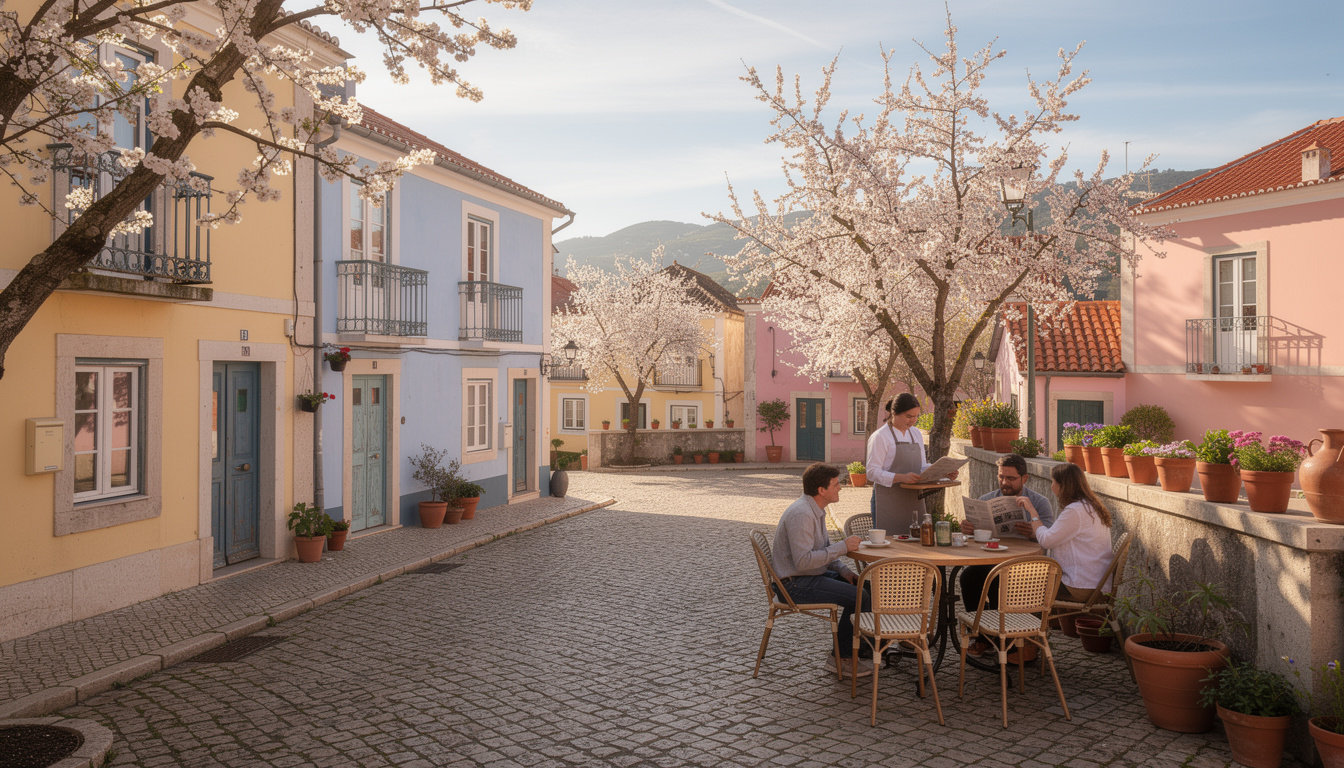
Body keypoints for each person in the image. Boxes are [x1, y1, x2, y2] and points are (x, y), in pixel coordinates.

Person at [772, 462, 874, 679]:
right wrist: (843, 547)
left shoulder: (815, 509)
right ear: (821, 490)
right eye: (836, 484)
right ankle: (841, 659)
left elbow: (822, 550)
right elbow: (803, 561)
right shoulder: (802, 514)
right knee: (859, 596)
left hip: (807, 575)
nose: (841, 488)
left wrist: (845, 572)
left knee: (866, 586)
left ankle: (865, 649)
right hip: (794, 584)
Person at [959, 454, 1056, 612]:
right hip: (993, 559)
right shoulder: (987, 499)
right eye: (1001, 477)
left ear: (1024, 478)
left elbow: (1050, 537)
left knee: (998, 579)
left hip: (1027, 564)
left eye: (1011, 478)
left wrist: (1033, 533)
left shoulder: (1039, 502)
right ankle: (981, 628)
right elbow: (974, 538)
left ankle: (1000, 630)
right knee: (968, 577)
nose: (1004, 483)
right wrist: (969, 529)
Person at [1013, 462, 1115, 602]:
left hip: (1081, 586)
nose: (1051, 486)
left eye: (1053, 481)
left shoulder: (1075, 511)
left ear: (1063, 485)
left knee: (1017, 582)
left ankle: (1017, 622)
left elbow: (1046, 540)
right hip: (1095, 583)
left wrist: (1032, 511)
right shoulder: (1089, 506)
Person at [865, 393, 958, 535]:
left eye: (916, 416)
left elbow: (921, 466)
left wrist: (944, 473)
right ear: (894, 413)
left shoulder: (916, 434)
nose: (913, 421)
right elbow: (872, 472)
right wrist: (901, 477)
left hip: (913, 499)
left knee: (916, 542)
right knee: (890, 545)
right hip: (887, 500)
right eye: (909, 416)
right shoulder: (880, 436)